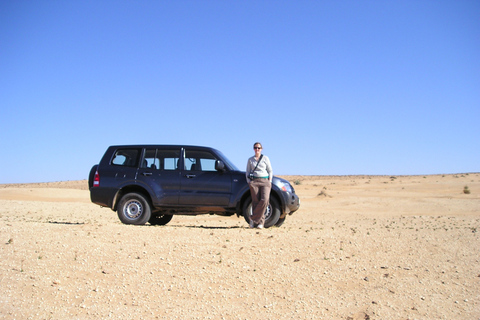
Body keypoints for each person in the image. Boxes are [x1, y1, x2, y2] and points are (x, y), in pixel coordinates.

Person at [246, 142, 273, 229]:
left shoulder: (265, 158)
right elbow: (247, 172)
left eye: (259, 148)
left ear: (261, 149)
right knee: (255, 201)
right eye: (255, 148)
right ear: (253, 149)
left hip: (265, 181)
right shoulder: (250, 159)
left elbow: (270, 170)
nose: (257, 149)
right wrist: (249, 182)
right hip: (254, 182)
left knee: (264, 200)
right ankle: (258, 223)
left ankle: (252, 218)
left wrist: (270, 180)